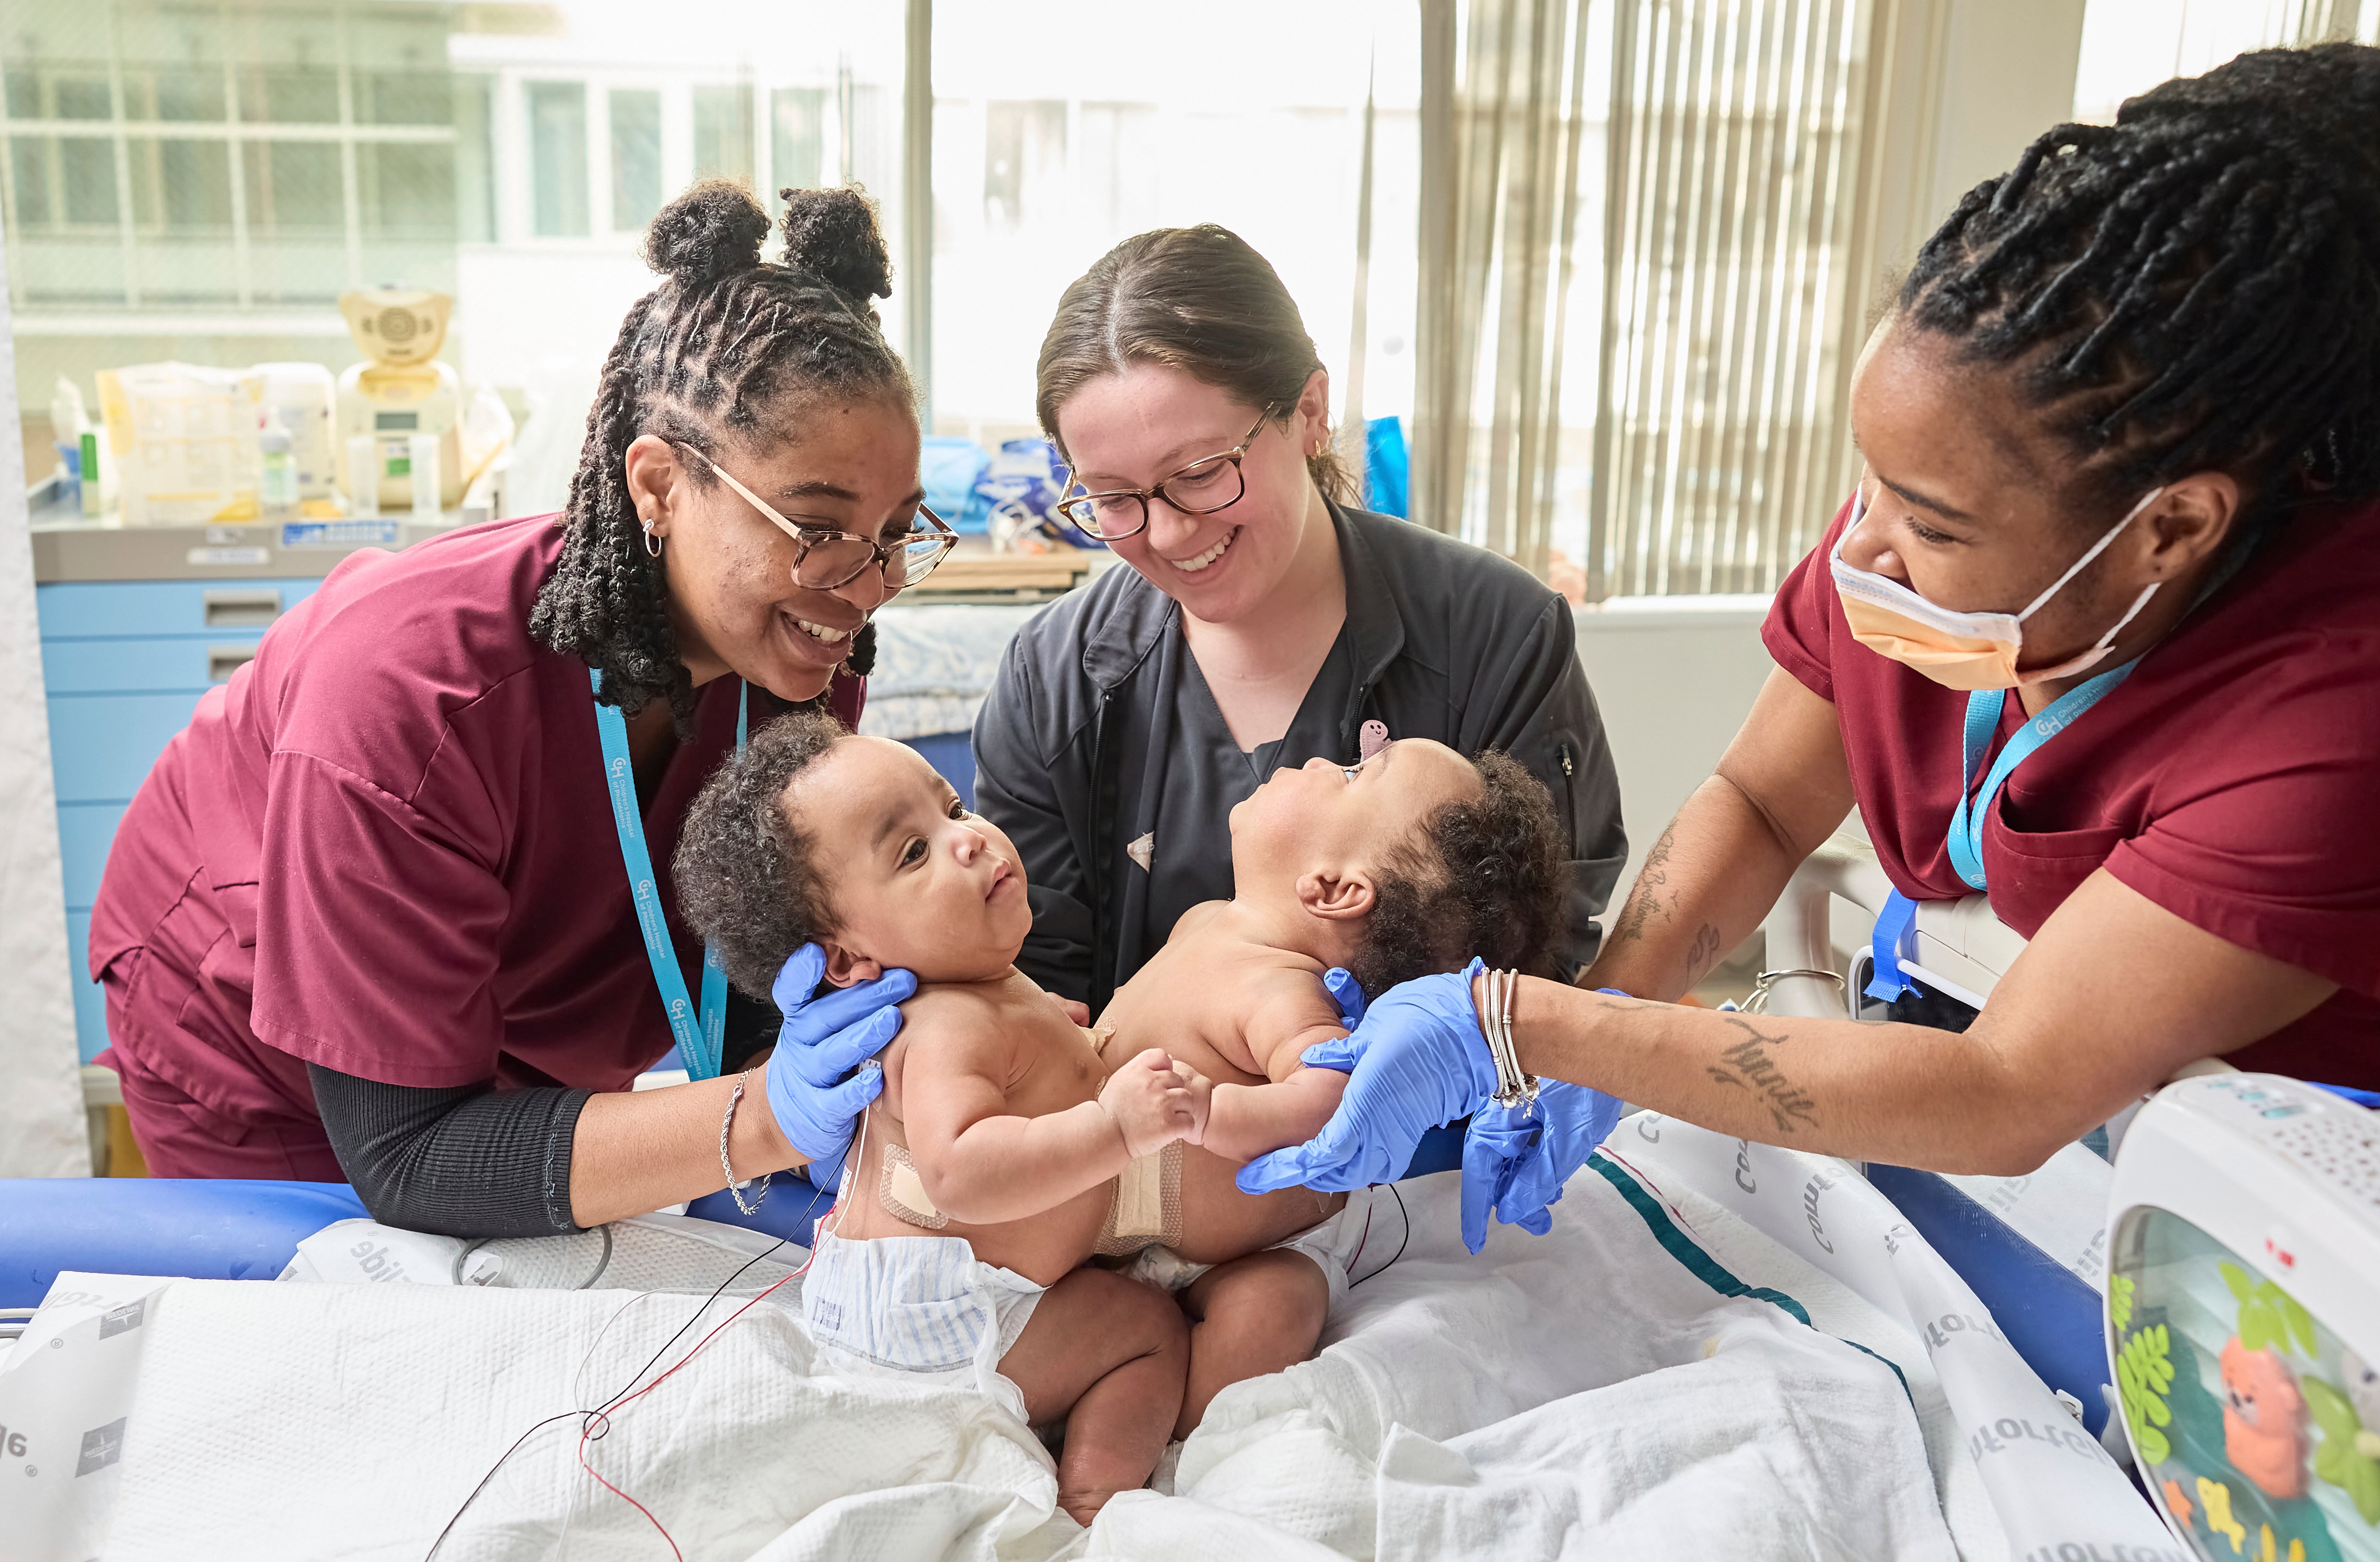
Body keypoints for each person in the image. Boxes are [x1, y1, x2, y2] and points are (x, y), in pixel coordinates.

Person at [1241, 44, 2380, 1228]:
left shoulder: (2375, 707)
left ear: (2167, 528)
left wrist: (1527, 1024)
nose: (1858, 549)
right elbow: (1758, 798)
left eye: (1928, 519)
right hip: (2053, 1198)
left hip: (2315, 1268)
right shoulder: (1929, 547)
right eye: (1869, 479)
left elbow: (2009, 1089)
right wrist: (1607, 999)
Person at [85, 181, 931, 1235]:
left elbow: (757, 955)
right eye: (818, 526)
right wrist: (762, 1116)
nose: (868, 583)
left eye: (900, 529)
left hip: (509, 1038)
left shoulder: (801, 642)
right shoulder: (410, 695)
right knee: (356, 1327)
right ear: (661, 488)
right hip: (260, 1044)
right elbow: (408, 1155)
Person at [675, 715, 1577, 1438]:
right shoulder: (964, 1013)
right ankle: (1107, 1481)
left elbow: (1333, 1098)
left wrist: (1201, 1108)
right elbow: (964, 1158)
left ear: (1333, 889)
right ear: (845, 959)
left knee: (1273, 1301)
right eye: (913, 849)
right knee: (1137, 1329)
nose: (967, 838)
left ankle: (1200, 1446)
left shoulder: (1270, 978)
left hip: (1200, 1243)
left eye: (1350, 774)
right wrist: (1101, 1101)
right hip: (1016, 1282)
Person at [971, 224, 1627, 1017]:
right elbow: (1028, 982)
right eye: (1113, 498)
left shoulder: (1498, 635)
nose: (1170, 531)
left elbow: (1538, 956)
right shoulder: (1053, 681)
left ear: (1309, 412)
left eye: (1202, 472)